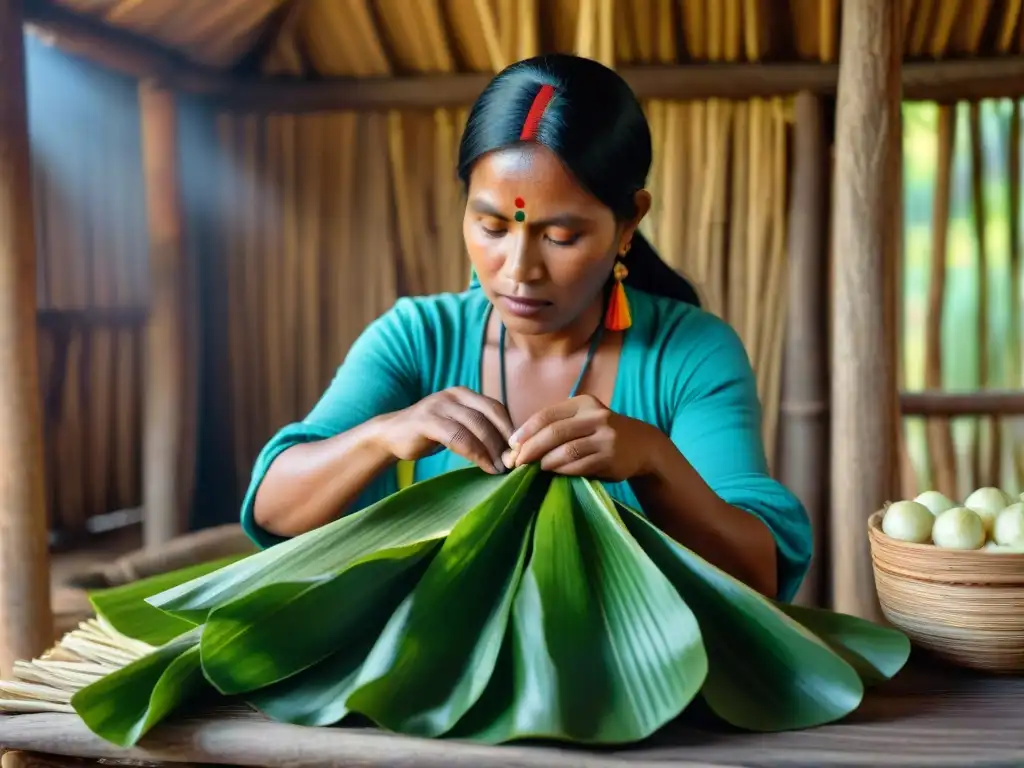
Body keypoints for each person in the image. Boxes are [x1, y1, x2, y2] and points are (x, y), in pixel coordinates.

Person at [242, 53, 811, 603]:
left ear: (629, 221)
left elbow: (756, 572)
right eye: (492, 227)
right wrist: (383, 434)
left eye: (561, 237)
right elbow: (273, 508)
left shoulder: (690, 354)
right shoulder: (417, 337)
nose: (519, 271)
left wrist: (654, 459)